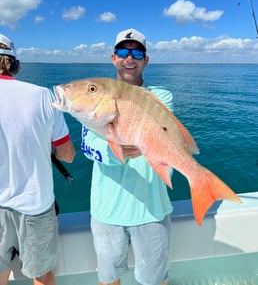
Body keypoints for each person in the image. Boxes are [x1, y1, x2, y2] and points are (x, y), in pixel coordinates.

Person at [81, 28, 173, 285]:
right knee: (109, 280)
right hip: (107, 211)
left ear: (146, 59)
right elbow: (88, 146)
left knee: (155, 281)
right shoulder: (95, 99)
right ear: (113, 57)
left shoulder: (162, 96)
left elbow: (161, 134)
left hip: (152, 209)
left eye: (136, 52)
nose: (129, 58)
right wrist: (117, 151)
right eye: (123, 51)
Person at [0, 34, 76, 285]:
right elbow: (68, 154)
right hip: (36, 206)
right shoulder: (43, 95)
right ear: (14, 62)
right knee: (41, 275)